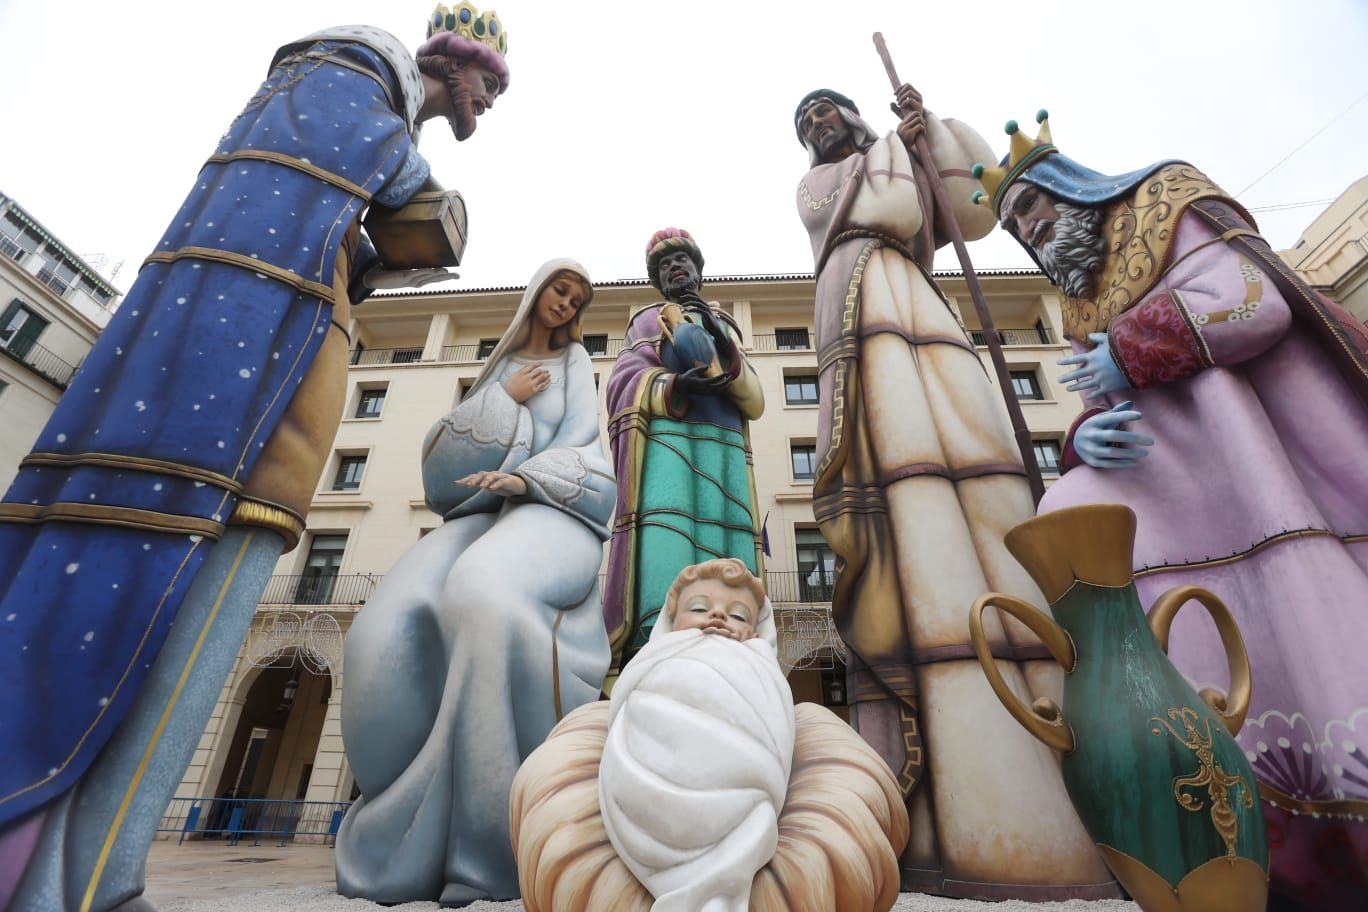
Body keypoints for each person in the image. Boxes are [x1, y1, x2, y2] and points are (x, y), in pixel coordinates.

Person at [0, 6, 509, 911]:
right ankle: (65, 875)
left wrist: (373, 254)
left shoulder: (362, 120)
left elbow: (341, 229)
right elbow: (375, 187)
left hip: (286, 381)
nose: (489, 104)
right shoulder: (347, 81)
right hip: (237, 381)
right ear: (451, 63)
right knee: (175, 593)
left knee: (217, 600)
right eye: (489, 84)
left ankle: (105, 873)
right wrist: (411, 199)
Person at [979, 110, 1368, 907]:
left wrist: (1125, 355)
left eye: (1030, 205)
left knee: (1298, 602)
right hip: (1168, 491)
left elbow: (1252, 301)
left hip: (1261, 465)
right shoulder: (1087, 301)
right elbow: (1104, 395)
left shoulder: (1169, 202)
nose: (1029, 227)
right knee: (1083, 519)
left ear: (1073, 186)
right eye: (1016, 224)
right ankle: (1221, 824)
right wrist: (1092, 437)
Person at [793, 89, 1114, 898]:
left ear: (855, 114)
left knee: (973, 460)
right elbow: (901, 206)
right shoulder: (820, 189)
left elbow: (971, 209)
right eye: (805, 123)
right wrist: (906, 156)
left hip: (917, 303)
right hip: (859, 306)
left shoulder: (888, 149)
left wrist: (926, 129)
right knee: (903, 480)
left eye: (827, 109)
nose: (818, 123)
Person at [334, 258, 616, 908]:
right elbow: (444, 471)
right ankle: (405, 818)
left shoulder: (576, 364)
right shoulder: (501, 364)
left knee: (481, 595)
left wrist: (527, 480)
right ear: (538, 292)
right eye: (559, 291)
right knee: (382, 627)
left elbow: (585, 447)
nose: (566, 305)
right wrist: (500, 399)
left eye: (576, 299)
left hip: (551, 509)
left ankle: (491, 841)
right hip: (479, 514)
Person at [602, 228, 765, 683]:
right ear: (657, 279)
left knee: (726, 543)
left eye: (682, 261)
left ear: (698, 269)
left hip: (726, 444)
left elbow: (754, 399)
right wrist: (673, 384)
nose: (675, 268)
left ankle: (738, 646)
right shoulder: (650, 319)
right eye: (665, 265)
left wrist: (715, 335)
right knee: (668, 532)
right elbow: (623, 379)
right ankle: (657, 643)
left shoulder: (725, 323)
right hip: (670, 437)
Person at [599, 559, 793, 912]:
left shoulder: (757, 667)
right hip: (646, 788)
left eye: (737, 616)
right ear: (671, 622)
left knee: (756, 822)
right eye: (700, 608)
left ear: (756, 631)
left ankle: (715, 879)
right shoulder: (656, 660)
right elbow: (626, 708)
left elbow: (776, 728)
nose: (717, 617)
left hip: (740, 797)